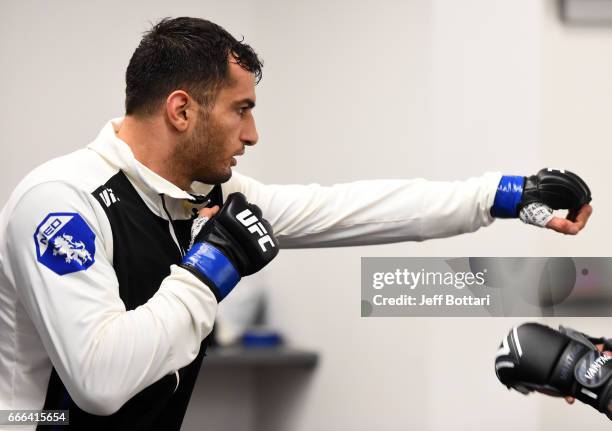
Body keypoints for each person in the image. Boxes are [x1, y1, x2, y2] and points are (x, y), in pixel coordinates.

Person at [0, 17, 592, 430]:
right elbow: (99, 384)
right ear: (182, 110)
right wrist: (208, 271)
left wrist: (503, 194)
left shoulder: (200, 196)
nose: (252, 135)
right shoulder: (61, 203)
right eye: (241, 110)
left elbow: (357, 210)